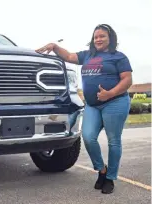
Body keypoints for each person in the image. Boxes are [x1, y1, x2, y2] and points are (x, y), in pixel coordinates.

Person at [36, 24, 133, 194]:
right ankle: (101, 170)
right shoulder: (87, 55)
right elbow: (68, 56)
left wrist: (109, 94)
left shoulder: (118, 57)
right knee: (88, 137)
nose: (98, 39)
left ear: (110, 38)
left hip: (115, 102)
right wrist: (55, 46)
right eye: (96, 37)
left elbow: (127, 80)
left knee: (113, 141)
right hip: (93, 105)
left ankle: (110, 177)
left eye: (102, 36)